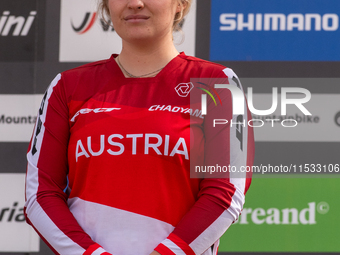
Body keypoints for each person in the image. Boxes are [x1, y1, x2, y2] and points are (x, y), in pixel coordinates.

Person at [25, 0, 255, 255]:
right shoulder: (67, 87)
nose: (135, 3)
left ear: (180, 4)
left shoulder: (217, 83)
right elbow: (41, 195)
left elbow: (225, 193)